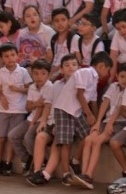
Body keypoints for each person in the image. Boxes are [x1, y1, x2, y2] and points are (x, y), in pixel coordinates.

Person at [26, 54, 89, 186]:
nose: (71, 67)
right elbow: (48, 104)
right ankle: (37, 171)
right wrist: (43, 121)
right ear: (61, 69)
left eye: (74, 64)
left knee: (58, 142)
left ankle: (48, 174)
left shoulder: (82, 84)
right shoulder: (56, 85)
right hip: (53, 121)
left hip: (69, 122)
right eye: (67, 65)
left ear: (79, 68)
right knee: (40, 137)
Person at [71, 62, 126, 189]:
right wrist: (98, 123)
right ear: (117, 76)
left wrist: (110, 124)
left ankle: (89, 175)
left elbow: (120, 109)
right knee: (88, 139)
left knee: (97, 141)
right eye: (122, 76)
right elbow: (105, 103)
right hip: (106, 121)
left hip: (119, 123)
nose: (125, 80)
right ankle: (83, 174)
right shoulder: (113, 86)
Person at [0, 43, 32, 175]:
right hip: (3, 110)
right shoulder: (0, 72)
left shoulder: (23, 72)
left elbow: (29, 89)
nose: (10, 58)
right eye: (6, 56)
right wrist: (2, 97)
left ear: (17, 55)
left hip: (19, 110)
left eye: (12, 55)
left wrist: (18, 89)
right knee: (1, 137)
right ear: (1, 58)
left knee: (11, 137)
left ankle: (8, 162)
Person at [7, 59, 51, 177]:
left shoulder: (50, 87)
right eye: (36, 73)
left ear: (48, 74)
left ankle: (40, 162)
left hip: (42, 120)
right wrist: (36, 103)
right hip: (31, 118)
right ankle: (28, 159)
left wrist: (35, 108)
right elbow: (28, 107)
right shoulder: (32, 87)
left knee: (28, 138)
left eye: (43, 73)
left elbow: (43, 108)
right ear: (32, 74)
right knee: (12, 135)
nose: (39, 77)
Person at [47, 8, 80, 78]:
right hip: (53, 71)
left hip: (66, 73)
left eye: (63, 20)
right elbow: (52, 58)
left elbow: (78, 61)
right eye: (56, 21)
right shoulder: (53, 39)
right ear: (52, 23)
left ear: (69, 21)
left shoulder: (74, 39)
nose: (60, 23)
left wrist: (52, 73)